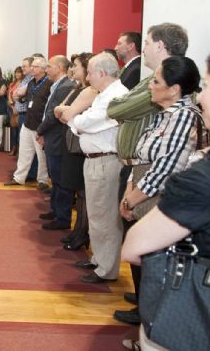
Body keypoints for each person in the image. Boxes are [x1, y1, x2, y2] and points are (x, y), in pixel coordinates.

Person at [121, 43, 210, 351]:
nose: (202, 95)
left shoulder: (209, 177)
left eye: (208, 86)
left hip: (204, 308)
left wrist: (132, 199)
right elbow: (142, 156)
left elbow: (135, 247)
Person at [114, 56, 202, 326]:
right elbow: (141, 156)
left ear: (174, 89)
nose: (150, 86)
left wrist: (132, 198)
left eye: (156, 81)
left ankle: (150, 314)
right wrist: (130, 190)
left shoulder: (183, 117)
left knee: (154, 260)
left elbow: (165, 168)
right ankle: (144, 301)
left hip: (157, 197)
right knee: (144, 259)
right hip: (141, 190)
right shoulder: (164, 115)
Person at [108, 23, 188, 314]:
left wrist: (132, 195)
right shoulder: (151, 83)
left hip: (150, 186)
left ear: (162, 46)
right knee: (137, 238)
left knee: (148, 247)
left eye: (149, 42)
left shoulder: (178, 110)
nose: (143, 49)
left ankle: (147, 305)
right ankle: (142, 298)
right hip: (137, 174)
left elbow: (117, 109)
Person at [67, 52, 128, 284]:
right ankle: (99, 258)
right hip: (95, 160)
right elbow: (84, 122)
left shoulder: (116, 96)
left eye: (90, 71)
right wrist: (77, 120)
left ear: (101, 73)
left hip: (104, 161)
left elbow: (87, 122)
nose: (86, 76)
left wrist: (73, 118)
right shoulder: (105, 94)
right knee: (96, 214)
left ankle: (106, 268)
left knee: (104, 216)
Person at [55, 53, 95, 250]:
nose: (72, 69)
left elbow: (66, 113)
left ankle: (82, 232)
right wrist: (63, 111)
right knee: (78, 192)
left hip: (80, 145)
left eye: (76, 66)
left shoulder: (90, 91)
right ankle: (78, 230)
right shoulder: (78, 87)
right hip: (72, 142)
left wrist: (64, 111)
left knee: (83, 192)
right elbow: (61, 111)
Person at [36, 55, 76, 230]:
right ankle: (55, 210)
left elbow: (53, 114)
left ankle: (63, 217)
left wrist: (40, 130)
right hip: (53, 137)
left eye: (49, 66)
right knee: (55, 177)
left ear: (59, 68)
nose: (47, 70)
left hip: (58, 138)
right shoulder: (58, 85)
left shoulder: (66, 86)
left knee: (60, 179)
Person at [4, 56, 51, 188]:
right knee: (24, 152)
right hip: (28, 123)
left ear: (43, 69)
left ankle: (43, 180)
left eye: (35, 66)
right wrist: (17, 97)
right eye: (32, 66)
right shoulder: (31, 83)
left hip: (39, 125)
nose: (32, 68)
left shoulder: (49, 83)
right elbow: (22, 96)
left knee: (41, 155)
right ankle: (19, 178)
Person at [7, 66, 24, 156]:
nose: (17, 74)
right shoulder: (12, 84)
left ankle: (20, 149)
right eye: (16, 72)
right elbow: (9, 94)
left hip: (20, 108)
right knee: (13, 129)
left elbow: (21, 97)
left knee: (20, 130)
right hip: (11, 108)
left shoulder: (24, 83)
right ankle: (14, 148)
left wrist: (16, 108)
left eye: (19, 72)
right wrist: (11, 104)